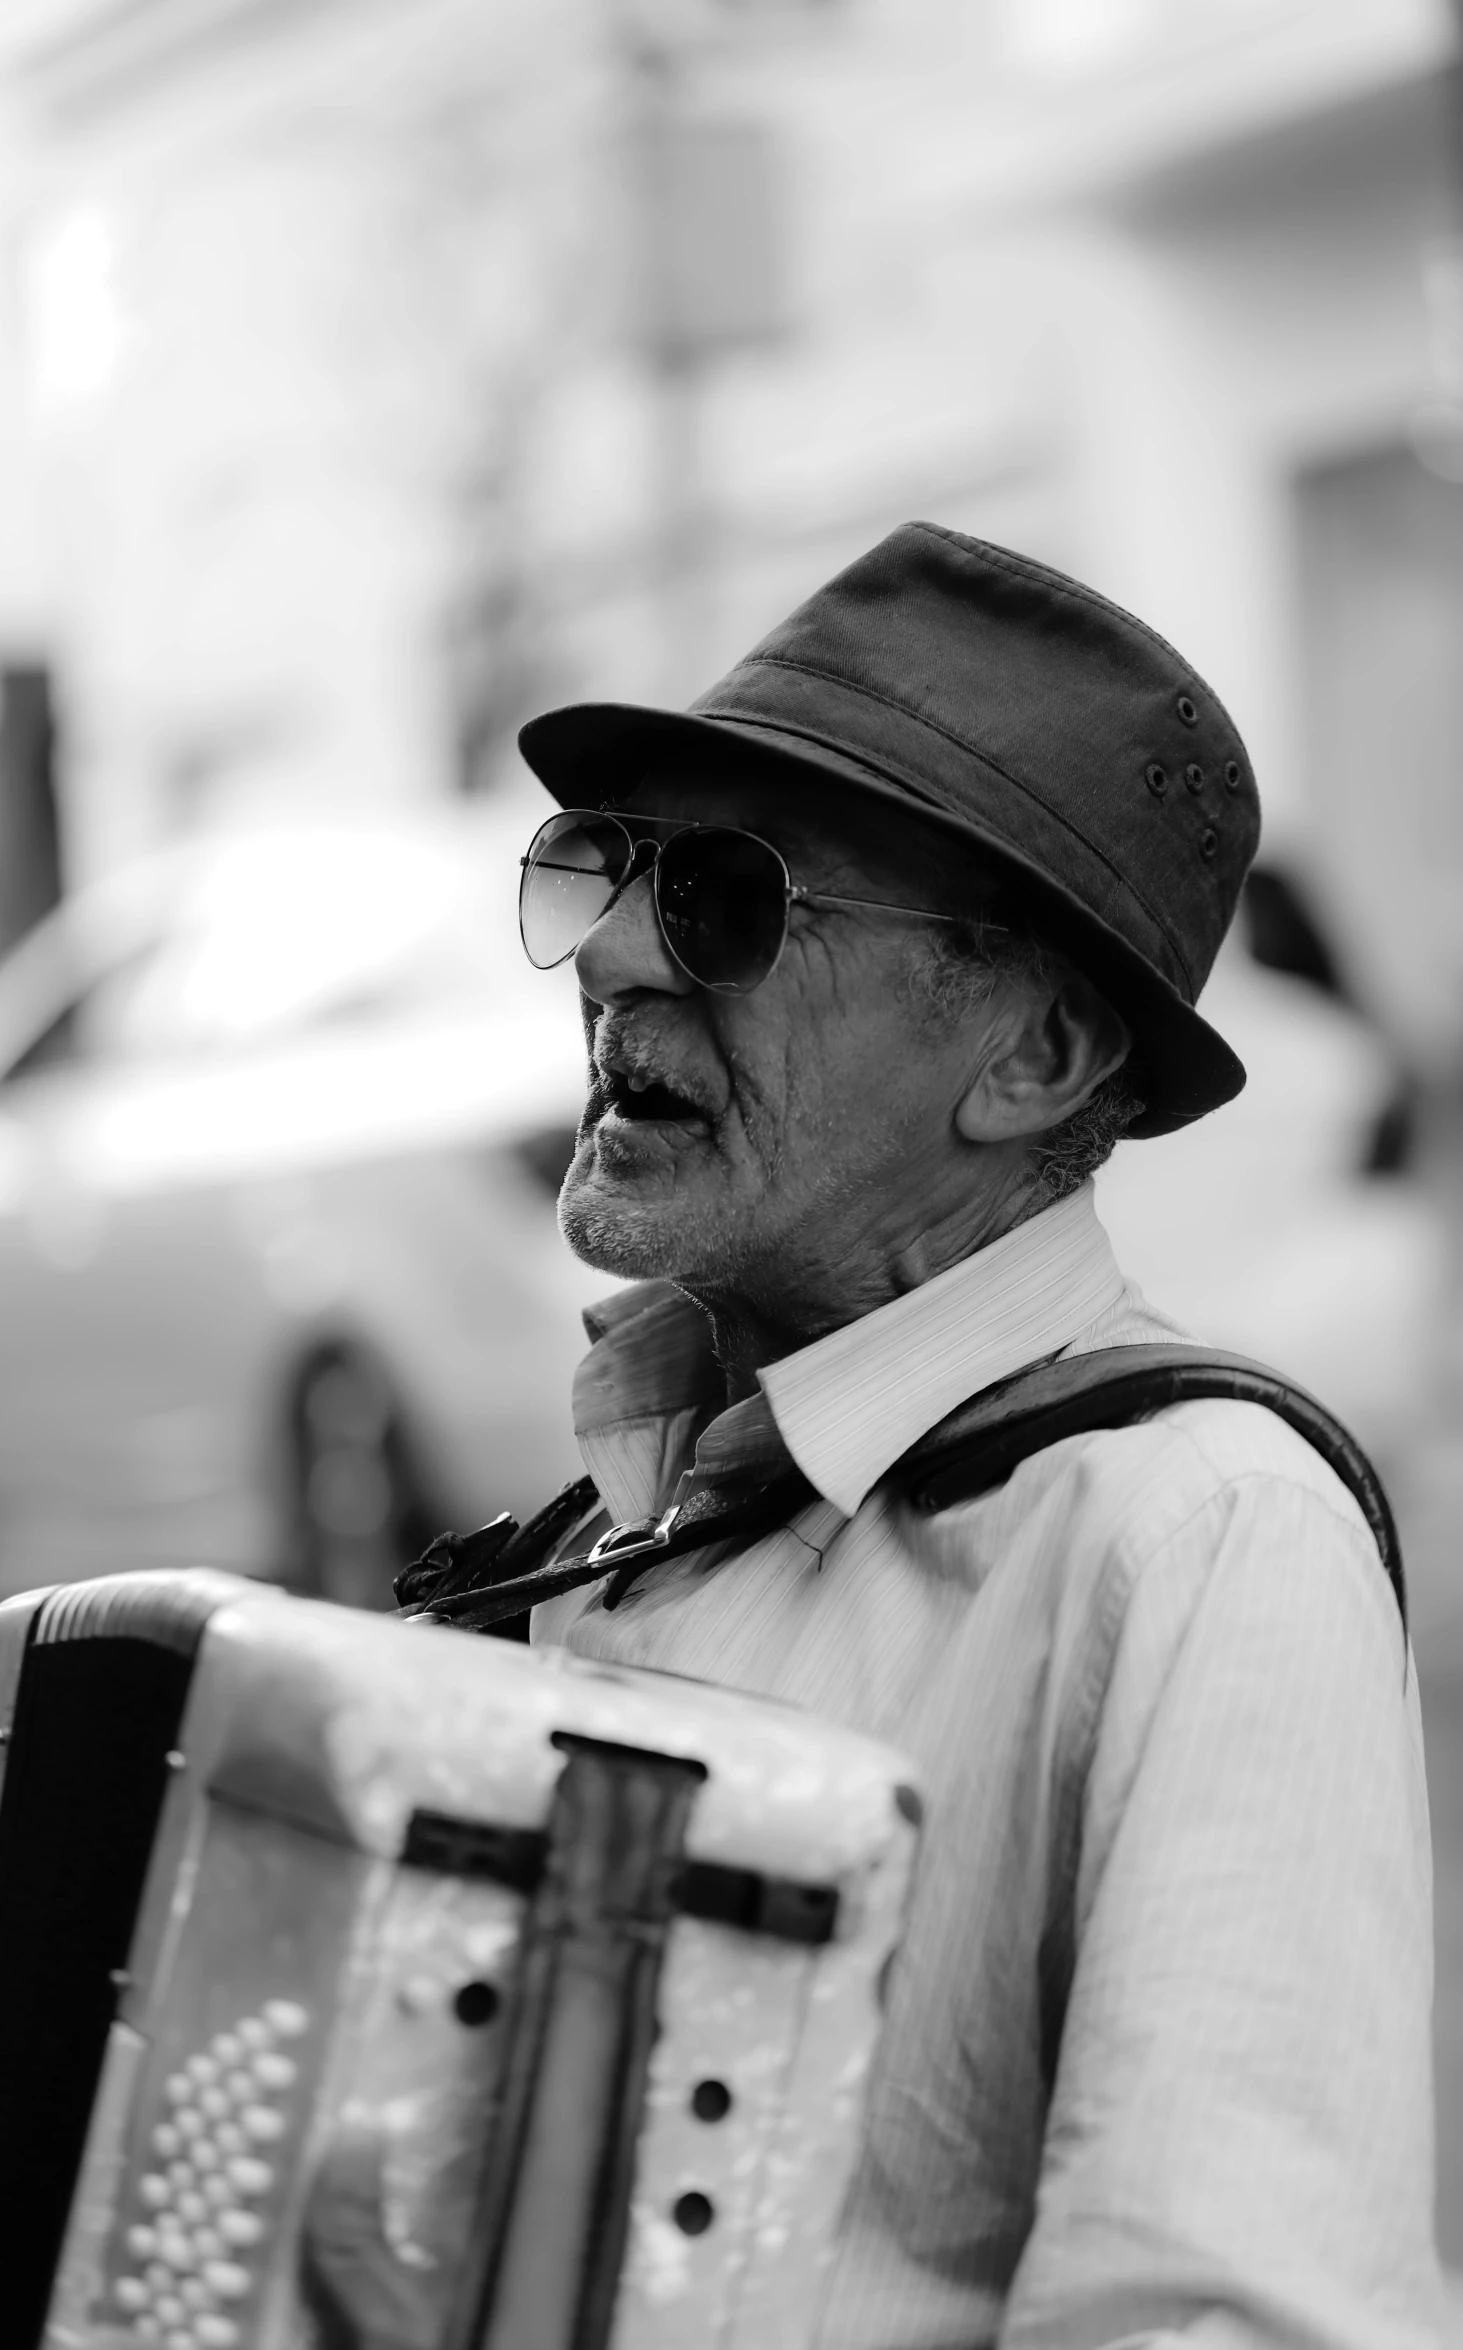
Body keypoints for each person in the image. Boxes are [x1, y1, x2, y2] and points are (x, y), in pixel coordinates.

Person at [507, 523, 1441, 2347]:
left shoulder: (1200, 1532)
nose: (612, 948)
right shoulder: (630, 1505)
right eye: (602, 868)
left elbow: (1218, 2319)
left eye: (725, 897)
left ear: (1029, 1056)